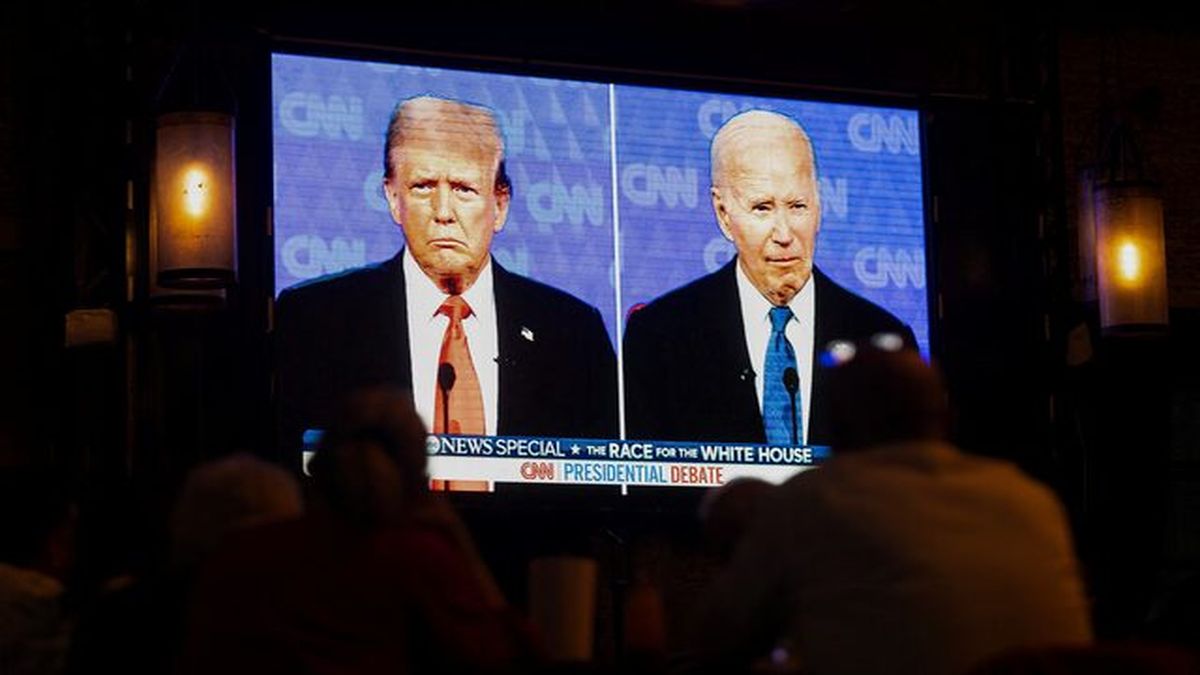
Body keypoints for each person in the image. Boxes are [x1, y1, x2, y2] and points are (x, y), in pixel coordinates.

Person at [683, 347, 1093, 675]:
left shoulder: (809, 502)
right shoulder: (1030, 498)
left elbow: (716, 644)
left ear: (837, 425)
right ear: (946, 418)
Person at [276, 95, 618, 461]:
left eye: (463, 189)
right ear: (393, 198)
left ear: (500, 205)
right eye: (423, 186)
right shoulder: (314, 319)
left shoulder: (572, 331)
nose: (443, 213)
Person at [181, 387, 541, 675]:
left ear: (322, 462)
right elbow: (510, 659)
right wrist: (460, 543)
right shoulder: (418, 560)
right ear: (416, 477)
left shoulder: (238, 555)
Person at [623, 109, 915, 446]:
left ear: (819, 205)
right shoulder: (661, 336)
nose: (784, 233)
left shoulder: (882, 339)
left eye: (797, 206)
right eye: (762, 207)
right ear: (723, 213)